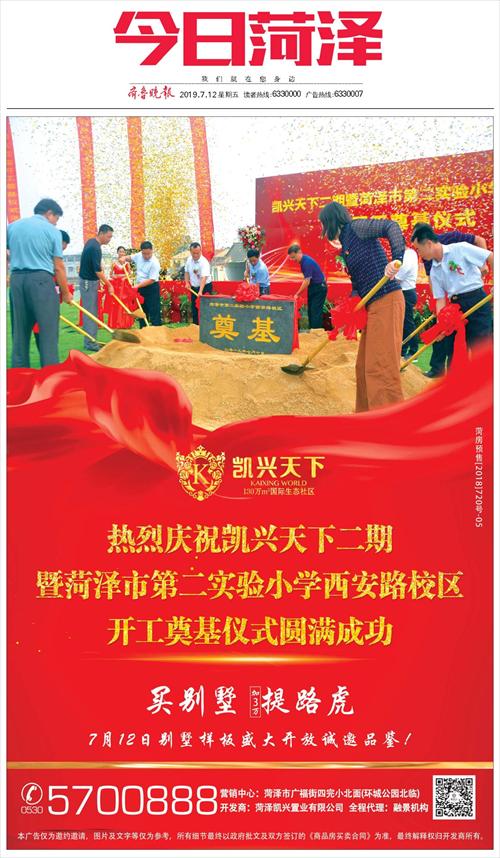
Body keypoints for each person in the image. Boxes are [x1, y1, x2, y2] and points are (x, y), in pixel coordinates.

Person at [319, 201, 405, 412]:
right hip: (373, 305)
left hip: (388, 300)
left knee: (380, 367)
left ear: (331, 221)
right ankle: (365, 418)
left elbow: (391, 227)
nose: (323, 231)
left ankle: (388, 421)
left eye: (323, 225)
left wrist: (396, 260)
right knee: (363, 367)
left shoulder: (357, 228)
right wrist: (349, 310)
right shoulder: (346, 247)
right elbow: (358, 285)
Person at [412, 224, 489, 377]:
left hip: (476, 300)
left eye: (418, 249)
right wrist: (441, 326)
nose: (419, 254)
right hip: (455, 307)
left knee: (480, 346)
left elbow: (490, 256)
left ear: (428, 244)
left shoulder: (460, 248)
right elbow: (440, 300)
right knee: (454, 348)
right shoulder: (434, 270)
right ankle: (456, 382)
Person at [7, 198, 72, 367]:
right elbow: (58, 266)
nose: (56, 223)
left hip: (16, 281)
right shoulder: (52, 231)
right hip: (41, 281)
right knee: (48, 334)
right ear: (49, 213)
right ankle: (50, 376)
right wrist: (66, 293)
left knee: (19, 335)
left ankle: (19, 376)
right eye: (56, 218)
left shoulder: (12, 227)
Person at [33, 230, 72, 352]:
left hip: (47, 293)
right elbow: (57, 271)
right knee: (42, 324)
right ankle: (46, 353)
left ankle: (47, 352)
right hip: (43, 294)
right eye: (62, 247)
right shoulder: (47, 256)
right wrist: (65, 291)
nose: (61, 252)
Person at [79, 224, 114, 351]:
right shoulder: (95, 247)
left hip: (90, 281)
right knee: (90, 314)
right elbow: (97, 271)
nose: (109, 240)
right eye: (109, 237)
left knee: (92, 312)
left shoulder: (92, 242)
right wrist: (109, 285)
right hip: (88, 282)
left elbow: (95, 265)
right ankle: (90, 343)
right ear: (101, 233)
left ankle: (91, 341)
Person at [121, 241, 161, 327]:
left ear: (152, 251)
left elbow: (151, 280)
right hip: (140, 288)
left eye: (148, 254)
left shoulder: (155, 263)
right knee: (142, 310)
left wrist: (137, 286)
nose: (146, 256)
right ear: (141, 251)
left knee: (154, 311)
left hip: (152, 288)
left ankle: (157, 331)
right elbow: (130, 258)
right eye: (144, 254)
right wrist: (124, 258)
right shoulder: (139, 255)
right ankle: (143, 329)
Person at [287, 244, 327, 330]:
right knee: (311, 311)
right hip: (314, 287)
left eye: (293, 257)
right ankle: (312, 330)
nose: (293, 260)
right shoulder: (303, 261)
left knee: (315, 311)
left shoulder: (306, 263)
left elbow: (306, 281)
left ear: (299, 252)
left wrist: (297, 294)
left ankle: (316, 332)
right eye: (291, 258)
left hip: (319, 288)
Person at [103, 246, 136, 329]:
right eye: (120, 251)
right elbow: (111, 274)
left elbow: (130, 274)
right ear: (117, 252)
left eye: (123, 252)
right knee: (115, 302)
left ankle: (125, 323)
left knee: (125, 302)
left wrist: (123, 277)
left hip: (124, 286)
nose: (121, 253)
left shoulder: (127, 263)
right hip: (116, 285)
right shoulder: (114, 263)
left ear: (125, 253)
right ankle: (115, 322)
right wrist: (115, 276)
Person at [396, 247, 419, 359]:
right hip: (402, 292)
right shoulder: (403, 254)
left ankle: (413, 351)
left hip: (407, 292)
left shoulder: (409, 254)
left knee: (408, 324)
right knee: (403, 323)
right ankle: (402, 350)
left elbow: (400, 275)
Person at [185, 242, 213, 325]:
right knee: (194, 309)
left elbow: (204, 278)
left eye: (198, 253)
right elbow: (186, 272)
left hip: (205, 287)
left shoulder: (204, 262)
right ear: (190, 252)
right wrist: (187, 282)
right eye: (194, 253)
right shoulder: (189, 260)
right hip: (194, 288)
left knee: (205, 308)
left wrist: (200, 291)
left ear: (200, 251)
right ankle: (195, 326)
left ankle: (206, 326)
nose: (196, 255)